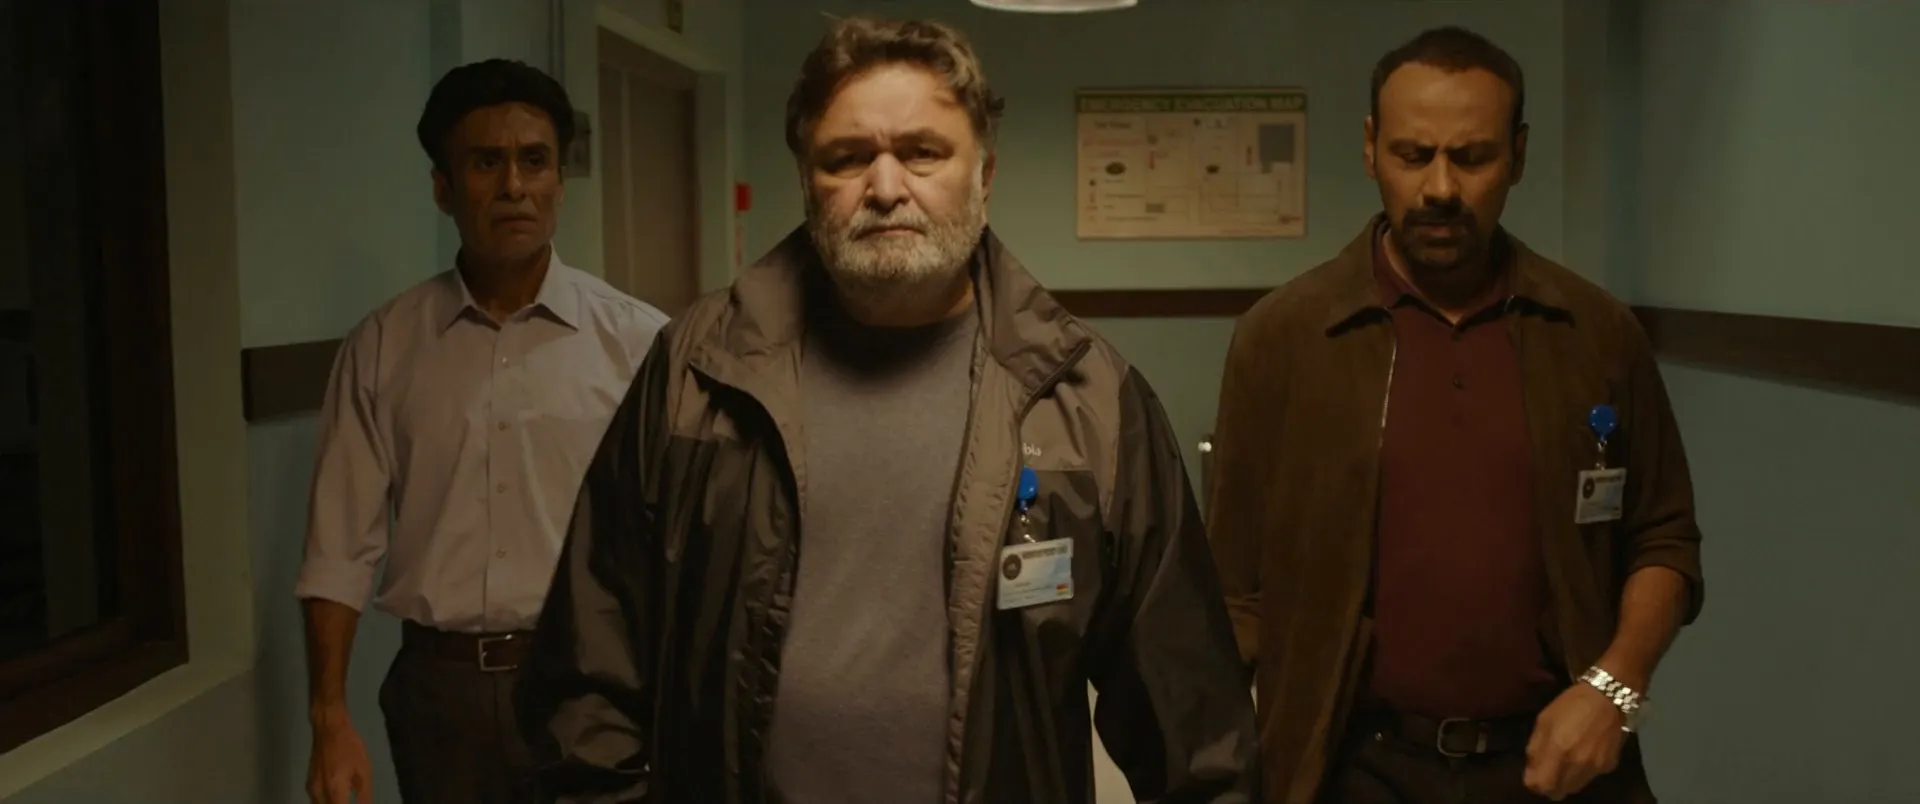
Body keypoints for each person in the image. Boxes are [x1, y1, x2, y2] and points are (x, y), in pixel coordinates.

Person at [514, 15, 1259, 804]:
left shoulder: (1087, 399)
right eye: (847, 158)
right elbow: (587, 674)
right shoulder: (697, 374)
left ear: (985, 175)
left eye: (922, 152)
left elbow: (1193, 724)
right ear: (806, 177)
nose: (886, 186)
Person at [1206, 26, 1705, 804]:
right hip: (1352, 770)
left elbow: (1664, 538)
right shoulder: (1285, 338)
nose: (1440, 187)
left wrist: (1615, 687)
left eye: (1472, 157)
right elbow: (1231, 588)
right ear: (1370, 149)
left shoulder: (1595, 332)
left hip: (1556, 767)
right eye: (1413, 155)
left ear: (1519, 155)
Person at [296, 59, 669, 804]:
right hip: (442, 700)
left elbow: (676, 538)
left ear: (560, 182)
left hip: (592, 684)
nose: (514, 186)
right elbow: (338, 550)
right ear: (443, 188)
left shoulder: (637, 344)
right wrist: (329, 718)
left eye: (535, 161)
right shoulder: (384, 346)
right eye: (486, 163)